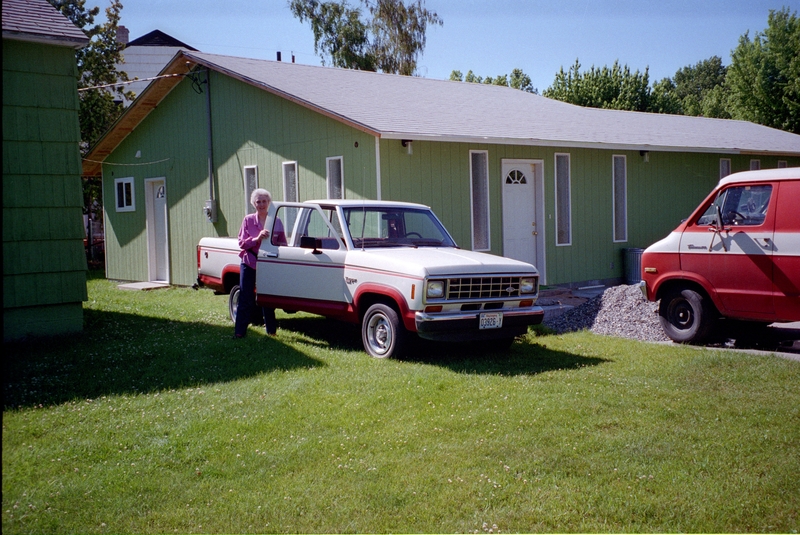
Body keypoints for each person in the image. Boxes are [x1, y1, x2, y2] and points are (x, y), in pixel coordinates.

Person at [234, 188, 279, 338]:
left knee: (267, 298)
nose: (261, 204)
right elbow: (241, 243)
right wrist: (257, 238)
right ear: (254, 203)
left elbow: (283, 243)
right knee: (245, 299)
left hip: (268, 264)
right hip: (249, 262)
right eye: (258, 202)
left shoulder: (275, 221)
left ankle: (271, 332)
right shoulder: (248, 220)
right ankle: (239, 332)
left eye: (264, 201)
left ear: (269, 203)